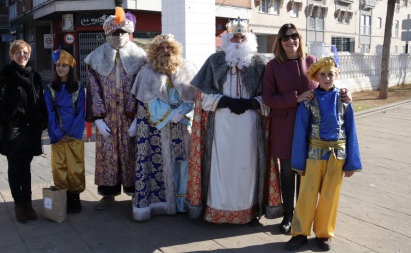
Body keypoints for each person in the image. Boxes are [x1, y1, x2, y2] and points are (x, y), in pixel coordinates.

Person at [262, 23, 352, 233]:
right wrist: (296, 98)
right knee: (287, 172)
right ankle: (288, 214)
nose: (290, 41)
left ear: (299, 38)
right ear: (280, 42)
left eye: (294, 36)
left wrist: (346, 94)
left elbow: (327, 85)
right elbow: (268, 98)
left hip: (313, 129)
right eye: (285, 38)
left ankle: (304, 215)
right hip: (285, 126)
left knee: (306, 174)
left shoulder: (311, 61)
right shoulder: (273, 66)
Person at [185, 18, 273, 224]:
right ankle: (219, 210)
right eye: (234, 36)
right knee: (221, 166)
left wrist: (253, 103)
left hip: (250, 125)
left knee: (247, 166)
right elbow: (201, 95)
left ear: (249, 38)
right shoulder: (214, 61)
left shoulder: (260, 64)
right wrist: (224, 101)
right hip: (221, 125)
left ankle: (247, 211)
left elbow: (270, 96)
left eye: (243, 36)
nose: (239, 40)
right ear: (226, 38)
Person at [285, 57, 362, 251]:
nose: (327, 78)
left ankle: (323, 233)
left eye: (331, 74)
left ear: (336, 76)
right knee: (306, 195)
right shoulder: (309, 100)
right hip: (313, 155)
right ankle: (300, 233)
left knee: (330, 196)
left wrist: (351, 163)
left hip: (337, 156)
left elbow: (351, 130)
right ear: (316, 76)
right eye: (323, 74)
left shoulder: (344, 100)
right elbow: (300, 132)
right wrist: (299, 163)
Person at [84, 7, 147, 209]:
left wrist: (138, 116)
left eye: (122, 32)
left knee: (131, 152)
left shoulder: (140, 57)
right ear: (107, 33)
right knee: (107, 154)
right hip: (107, 115)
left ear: (128, 33)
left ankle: (134, 191)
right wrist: (98, 118)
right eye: (114, 32)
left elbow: (144, 88)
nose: (118, 36)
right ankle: (108, 193)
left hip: (130, 116)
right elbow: (92, 89)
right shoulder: (95, 58)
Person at [130, 34, 197, 221]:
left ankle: (182, 203)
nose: (165, 50)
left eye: (169, 47)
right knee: (158, 165)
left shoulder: (187, 68)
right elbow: (147, 101)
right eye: (161, 48)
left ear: (175, 49)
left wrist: (182, 112)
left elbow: (194, 97)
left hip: (182, 125)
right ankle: (161, 203)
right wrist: (169, 114)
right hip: (157, 128)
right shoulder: (147, 72)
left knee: (182, 164)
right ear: (155, 50)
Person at [0, 40, 47, 223]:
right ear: (12, 55)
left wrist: (40, 122)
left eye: (25, 52)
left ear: (29, 55)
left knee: (26, 169)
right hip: (13, 131)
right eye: (18, 52)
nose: (22, 55)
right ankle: (19, 205)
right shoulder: (5, 75)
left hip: (30, 130)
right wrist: (8, 122)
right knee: (14, 169)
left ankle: (28, 203)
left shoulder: (35, 77)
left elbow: (40, 102)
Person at [45, 48, 86, 213]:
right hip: (58, 136)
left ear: (71, 68)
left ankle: (75, 197)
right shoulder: (50, 89)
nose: (61, 68)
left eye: (64, 65)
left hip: (74, 135)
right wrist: (57, 134)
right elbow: (50, 112)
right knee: (59, 168)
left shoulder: (78, 87)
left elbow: (81, 111)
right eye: (58, 65)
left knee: (75, 167)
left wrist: (72, 134)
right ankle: (64, 196)